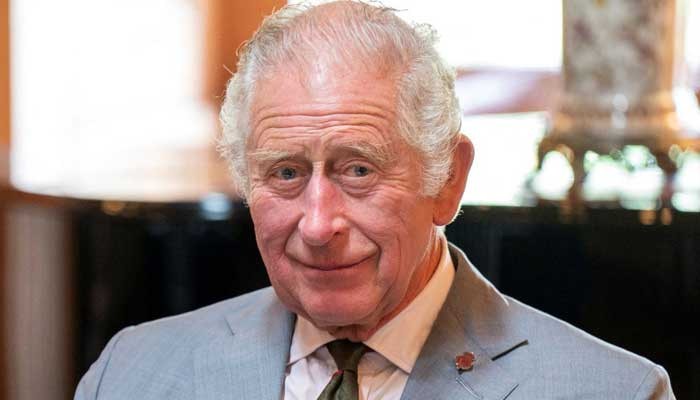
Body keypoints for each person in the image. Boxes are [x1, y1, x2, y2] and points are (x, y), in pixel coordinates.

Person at [75, 1, 675, 399]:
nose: (318, 225)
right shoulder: (129, 374)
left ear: (448, 180)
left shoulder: (614, 392)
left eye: (358, 170)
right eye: (285, 173)